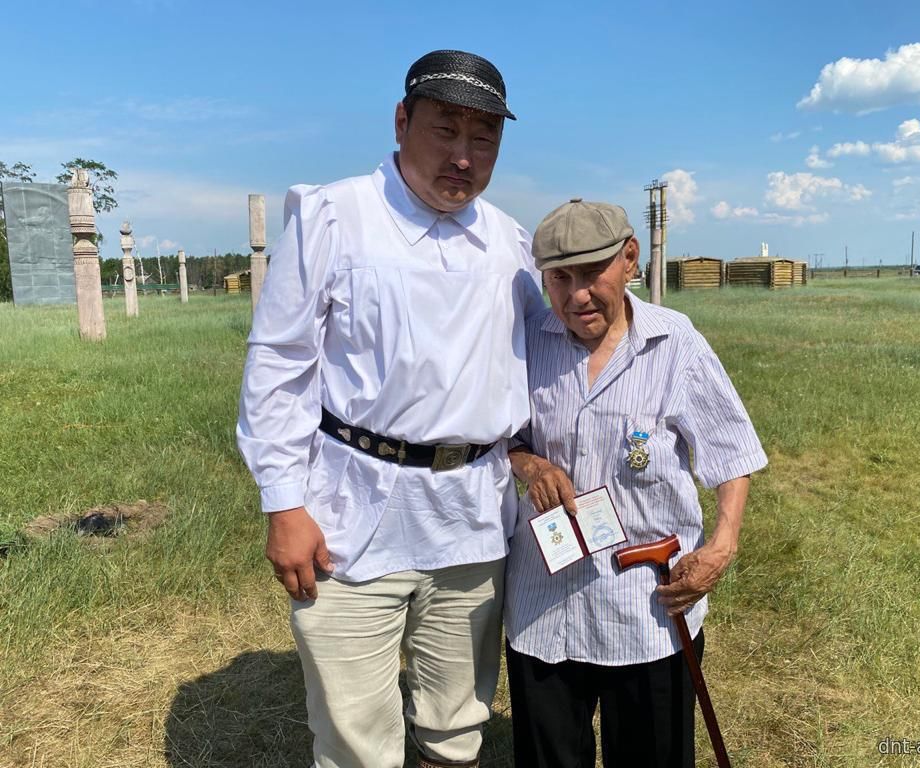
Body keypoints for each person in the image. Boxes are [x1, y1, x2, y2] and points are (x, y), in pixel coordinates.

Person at [237, 50, 543, 768]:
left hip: (471, 519)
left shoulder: (509, 243)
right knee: (355, 737)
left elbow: (557, 348)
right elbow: (279, 362)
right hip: (349, 515)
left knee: (456, 724)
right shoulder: (336, 217)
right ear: (402, 121)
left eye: (484, 138)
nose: (463, 157)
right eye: (445, 130)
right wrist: (284, 503)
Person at [503, 199, 768, 768]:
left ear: (629, 259)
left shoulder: (674, 343)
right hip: (545, 603)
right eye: (559, 278)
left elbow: (730, 452)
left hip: (648, 607)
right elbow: (502, 437)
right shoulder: (527, 342)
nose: (577, 295)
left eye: (591, 273)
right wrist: (532, 466)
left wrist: (722, 545)